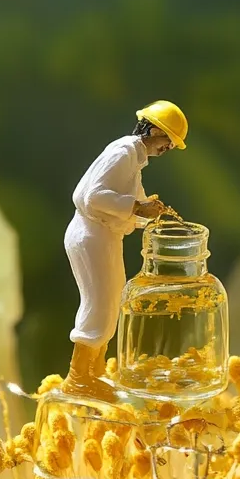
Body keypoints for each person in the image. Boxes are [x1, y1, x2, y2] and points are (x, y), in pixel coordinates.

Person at [63, 100, 188, 398]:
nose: (168, 147)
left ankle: (94, 372)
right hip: (91, 234)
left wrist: (149, 217)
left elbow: (135, 200)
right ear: (155, 130)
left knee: (112, 300)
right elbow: (91, 196)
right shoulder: (123, 152)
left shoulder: (135, 158)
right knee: (100, 303)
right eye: (168, 140)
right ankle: (77, 378)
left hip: (103, 235)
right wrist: (136, 207)